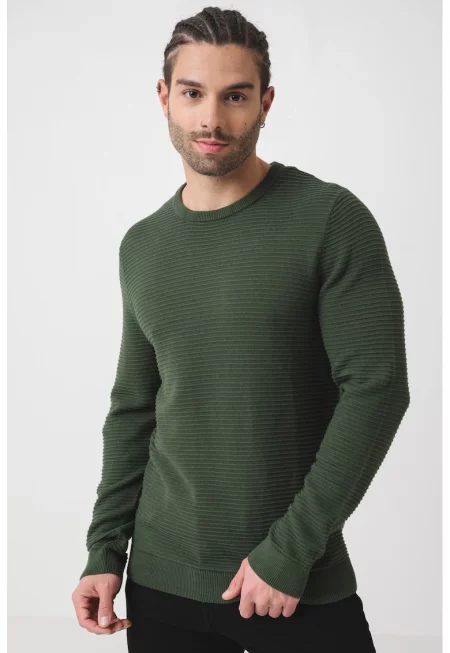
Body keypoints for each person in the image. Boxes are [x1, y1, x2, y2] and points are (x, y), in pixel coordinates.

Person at [72, 6, 410, 652]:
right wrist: (104, 549)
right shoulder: (143, 246)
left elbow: (377, 388)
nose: (211, 119)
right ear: (164, 96)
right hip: (160, 584)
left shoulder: (330, 220)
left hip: (291, 581)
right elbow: (134, 408)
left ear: (265, 103)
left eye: (235, 96)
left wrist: (290, 550)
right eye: (193, 93)